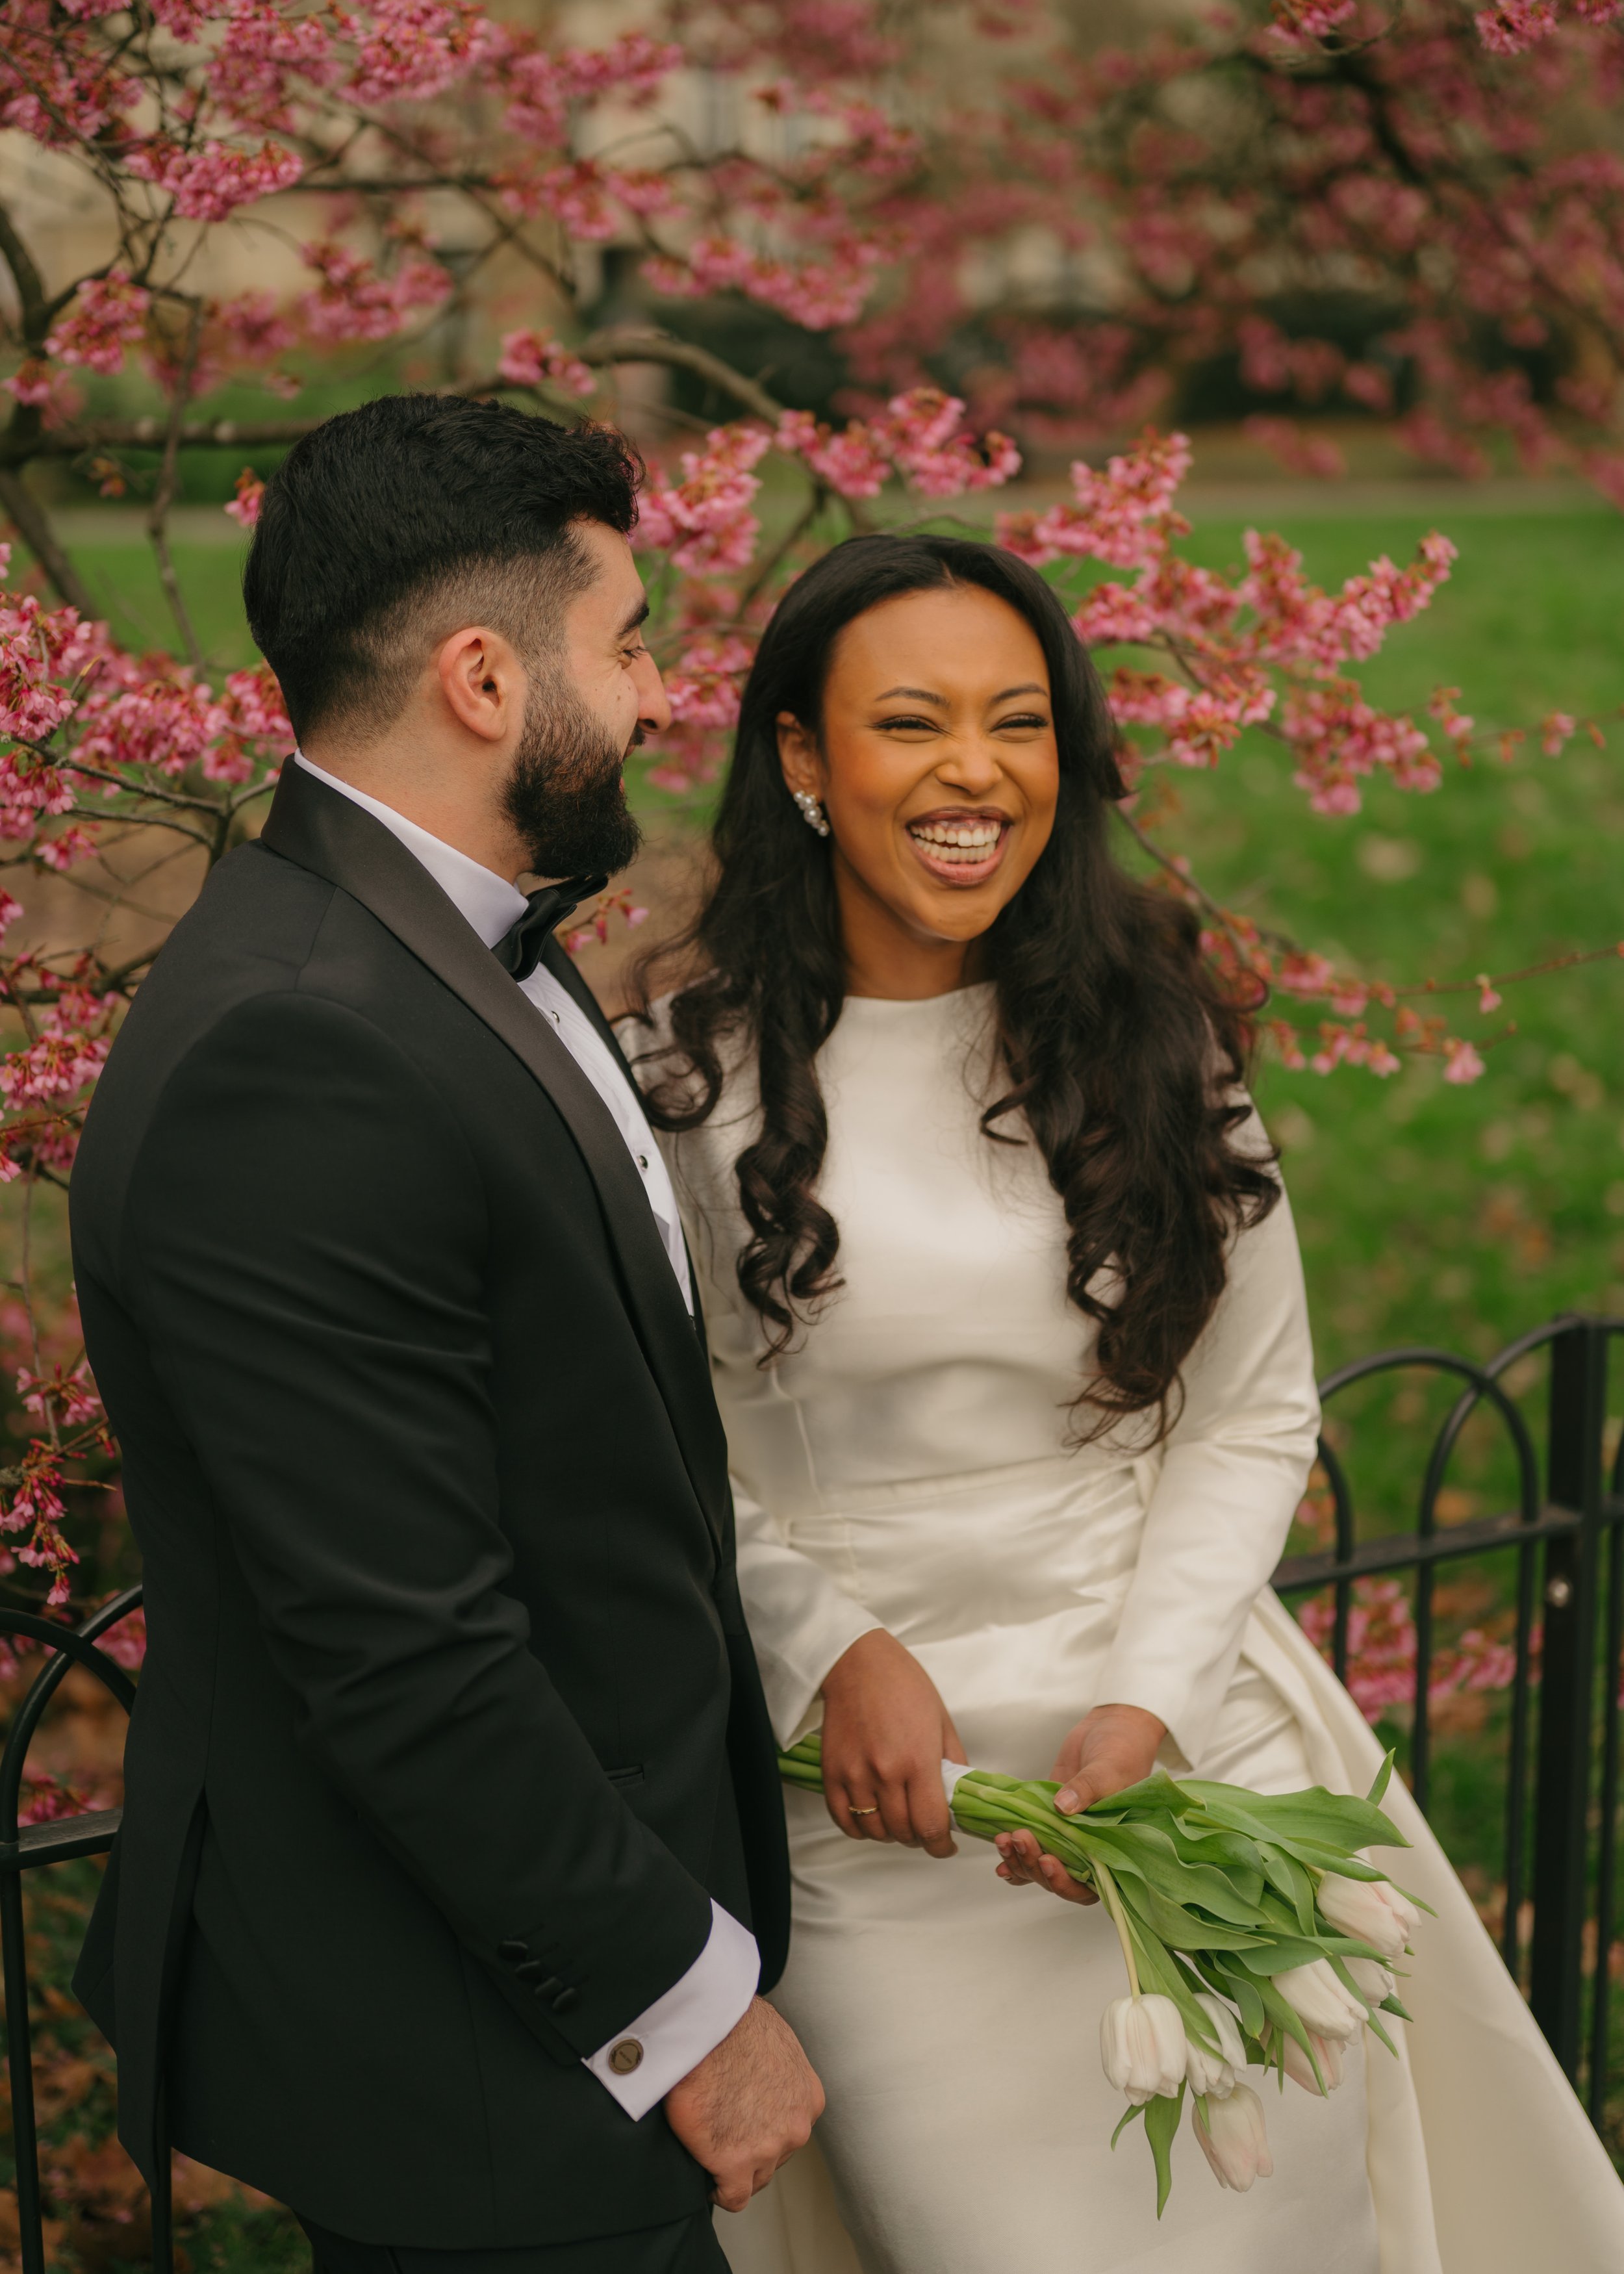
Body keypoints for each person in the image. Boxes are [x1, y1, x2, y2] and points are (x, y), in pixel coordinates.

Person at [622, 533, 1624, 2274]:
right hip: (873, 1808)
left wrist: (1151, 1703)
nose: (970, 774)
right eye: (910, 723)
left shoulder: (1153, 1043)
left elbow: (1247, 1409)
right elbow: (654, 1447)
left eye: (1015, 723)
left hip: (1178, 1751)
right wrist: (824, 1646)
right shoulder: (675, 1089)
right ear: (800, 758)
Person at [68, 394, 824, 2274]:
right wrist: (680, 2010)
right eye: (630, 639)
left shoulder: (438, 938)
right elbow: (400, 1644)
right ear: (486, 681)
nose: (661, 695)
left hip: (542, 2007)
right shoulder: (296, 1049)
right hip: (491, 2058)